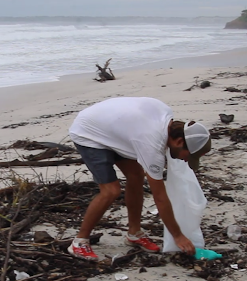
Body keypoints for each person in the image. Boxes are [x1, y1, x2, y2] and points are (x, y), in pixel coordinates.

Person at [67, 97, 211, 261]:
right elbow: (160, 198)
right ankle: (79, 241)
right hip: (89, 132)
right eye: (188, 156)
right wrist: (178, 236)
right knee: (111, 191)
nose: (186, 160)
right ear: (179, 141)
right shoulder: (152, 144)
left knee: (135, 176)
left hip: (113, 130)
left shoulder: (166, 118)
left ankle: (134, 233)